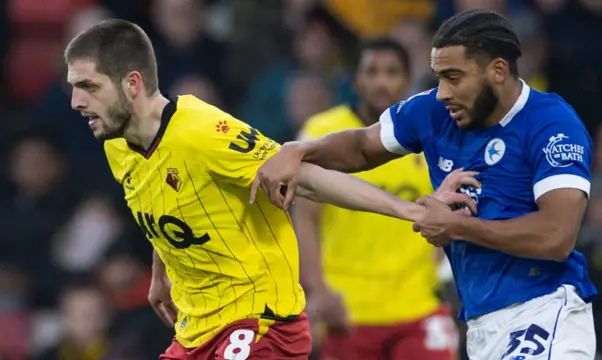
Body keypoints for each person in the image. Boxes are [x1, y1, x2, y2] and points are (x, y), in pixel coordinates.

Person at [63, 19, 476, 360]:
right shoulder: (118, 142)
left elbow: (306, 177)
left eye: (89, 86)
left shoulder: (203, 132)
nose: (76, 101)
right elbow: (166, 202)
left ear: (132, 83)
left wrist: (413, 211)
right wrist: (160, 273)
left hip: (261, 322)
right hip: (198, 328)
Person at [253, 9, 597, 360]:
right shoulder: (433, 111)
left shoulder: (552, 125)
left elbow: (557, 236)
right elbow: (360, 147)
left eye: (454, 77)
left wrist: (460, 228)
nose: (443, 92)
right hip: (482, 323)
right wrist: (298, 150)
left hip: (546, 309)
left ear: (498, 70)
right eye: (438, 77)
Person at [295, 38, 457, 360]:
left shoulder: (433, 134)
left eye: (392, 72)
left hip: (418, 305)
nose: (381, 81)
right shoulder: (323, 132)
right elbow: (304, 218)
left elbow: (449, 209)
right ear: (356, 79)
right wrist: (318, 291)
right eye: (372, 71)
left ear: (407, 78)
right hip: (348, 310)